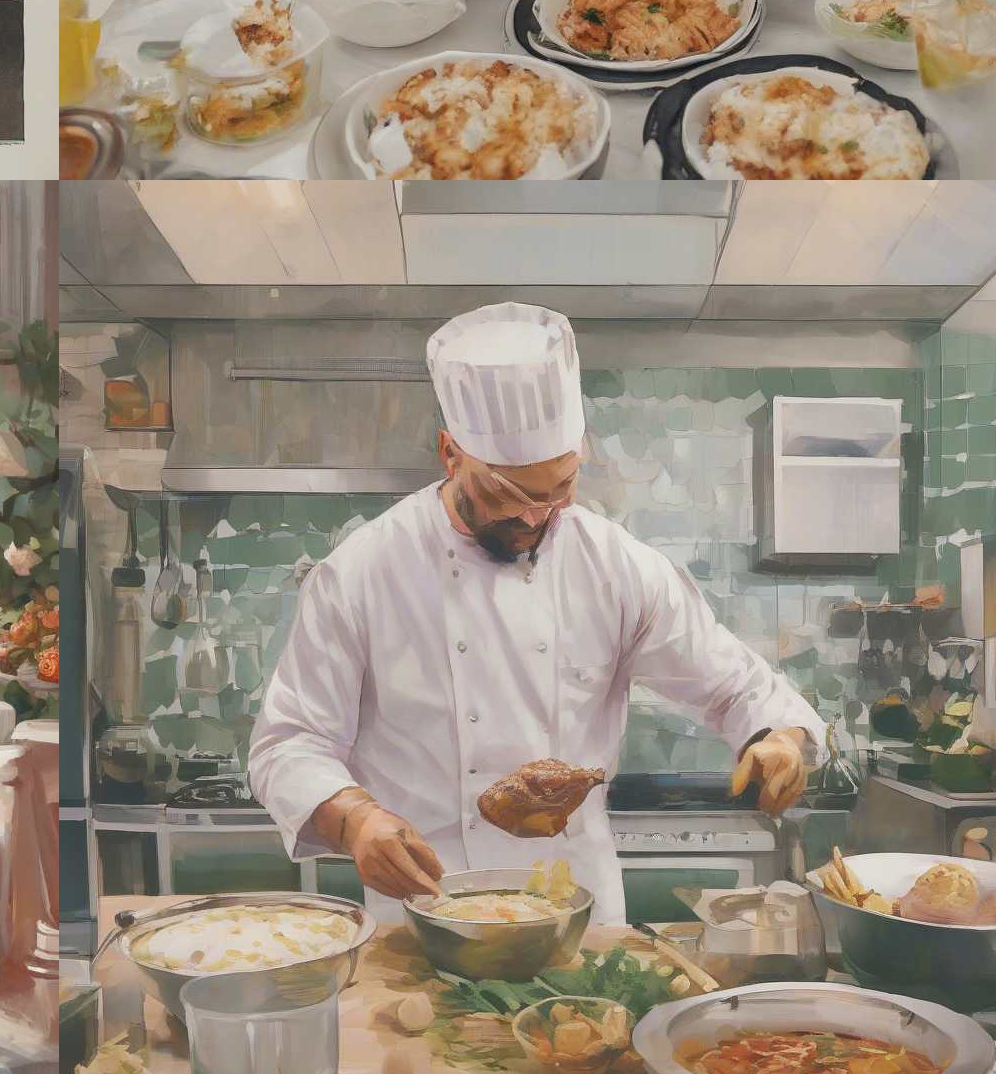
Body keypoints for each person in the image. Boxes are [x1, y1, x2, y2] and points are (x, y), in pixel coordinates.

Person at [246, 303, 821, 924]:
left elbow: (736, 686)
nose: (533, 517)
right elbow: (289, 744)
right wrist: (355, 821)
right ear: (450, 454)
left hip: (576, 912)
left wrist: (780, 740)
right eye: (505, 494)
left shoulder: (614, 566)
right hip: (422, 913)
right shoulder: (361, 573)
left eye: (558, 491)